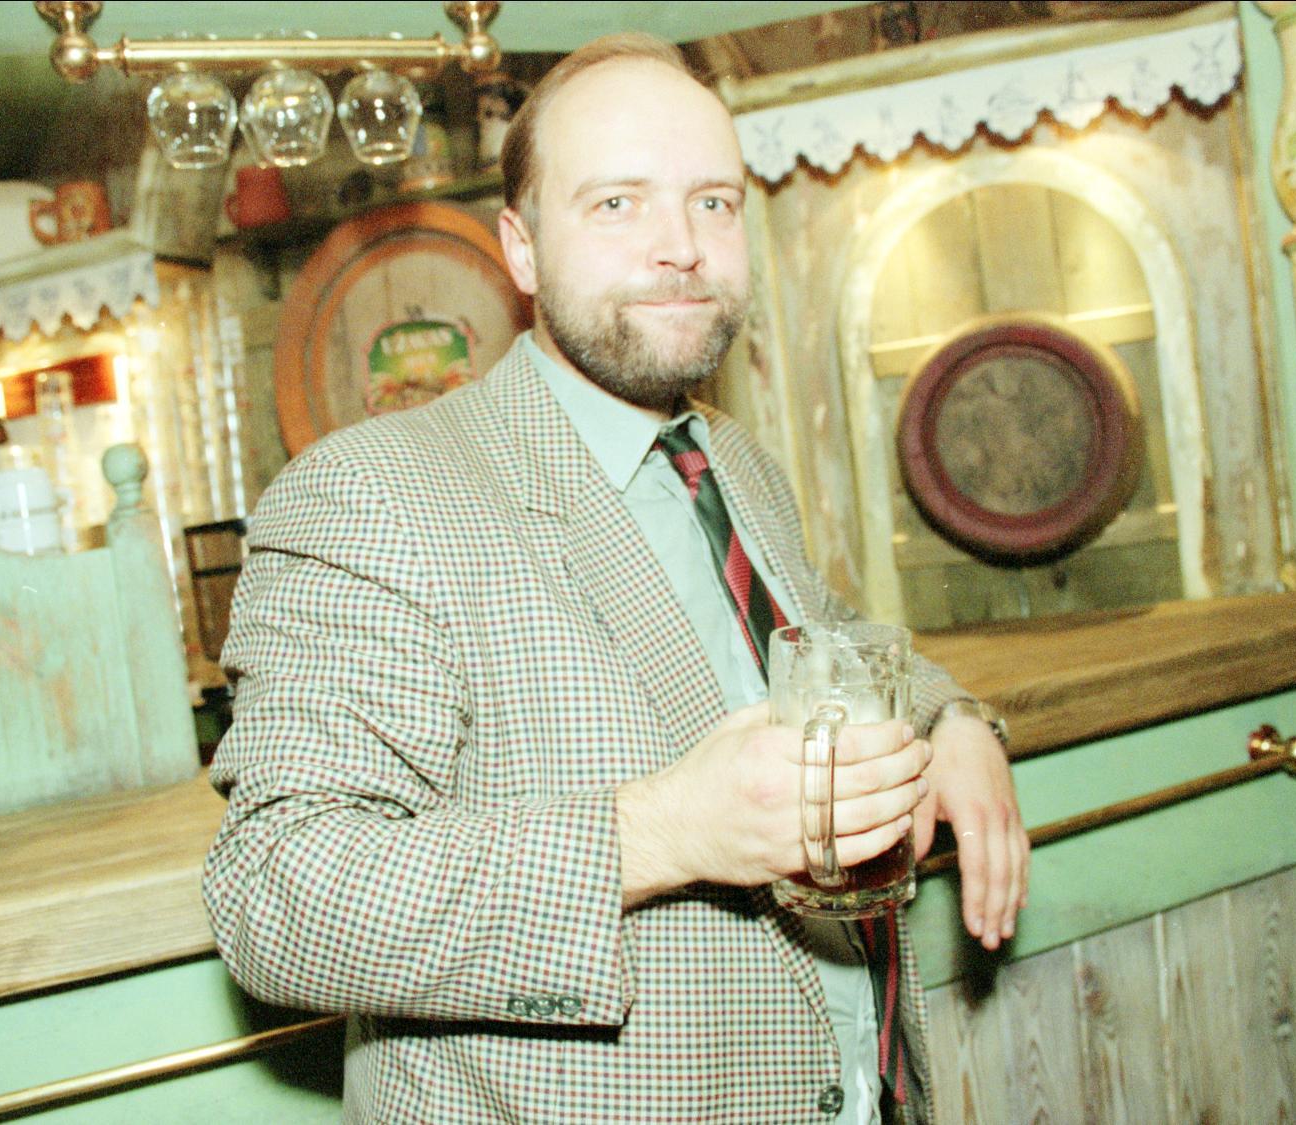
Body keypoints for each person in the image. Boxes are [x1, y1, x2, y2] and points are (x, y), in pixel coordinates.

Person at [203, 33, 1028, 1125]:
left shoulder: (730, 459)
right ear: (522, 248)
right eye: (616, 204)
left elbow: (822, 634)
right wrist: (666, 831)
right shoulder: (373, 493)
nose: (680, 247)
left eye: (712, 203)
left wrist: (952, 722)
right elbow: (280, 895)